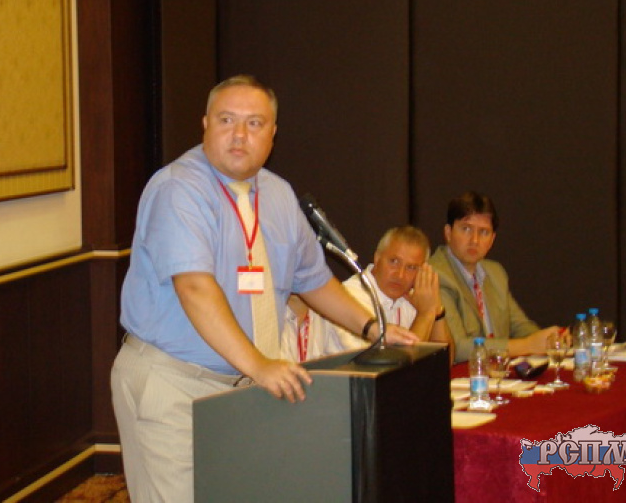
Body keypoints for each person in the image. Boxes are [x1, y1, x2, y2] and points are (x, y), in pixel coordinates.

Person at [111, 75, 417, 503]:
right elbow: (195, 288)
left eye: (254, 123)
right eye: (227, 120)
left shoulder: (277, 194)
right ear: (205, 124)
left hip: (242, 386)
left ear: (273, 135)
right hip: (174, 383)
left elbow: (314, 280)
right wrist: (259, 365)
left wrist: (372, 329)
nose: (240, 134)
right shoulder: (179, 189)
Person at [281, 226, 454, 363]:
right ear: (377, 258)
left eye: (411, 268)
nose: (400, 275)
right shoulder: (350, 299)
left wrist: (436, 310)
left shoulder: (413, 297)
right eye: (394, 262)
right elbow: (391, 375)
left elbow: (444, 363)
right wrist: (425, 314)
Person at [430, 191, 561, 363]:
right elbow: (458, 348)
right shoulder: (435, 275)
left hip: (497, 371)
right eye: (466, 229)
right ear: (448, 233)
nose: (474, 240)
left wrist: (549, 340)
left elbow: (519, 325)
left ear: (492, 240)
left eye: (483, 232)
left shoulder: (495, 272)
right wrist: (528, 345)